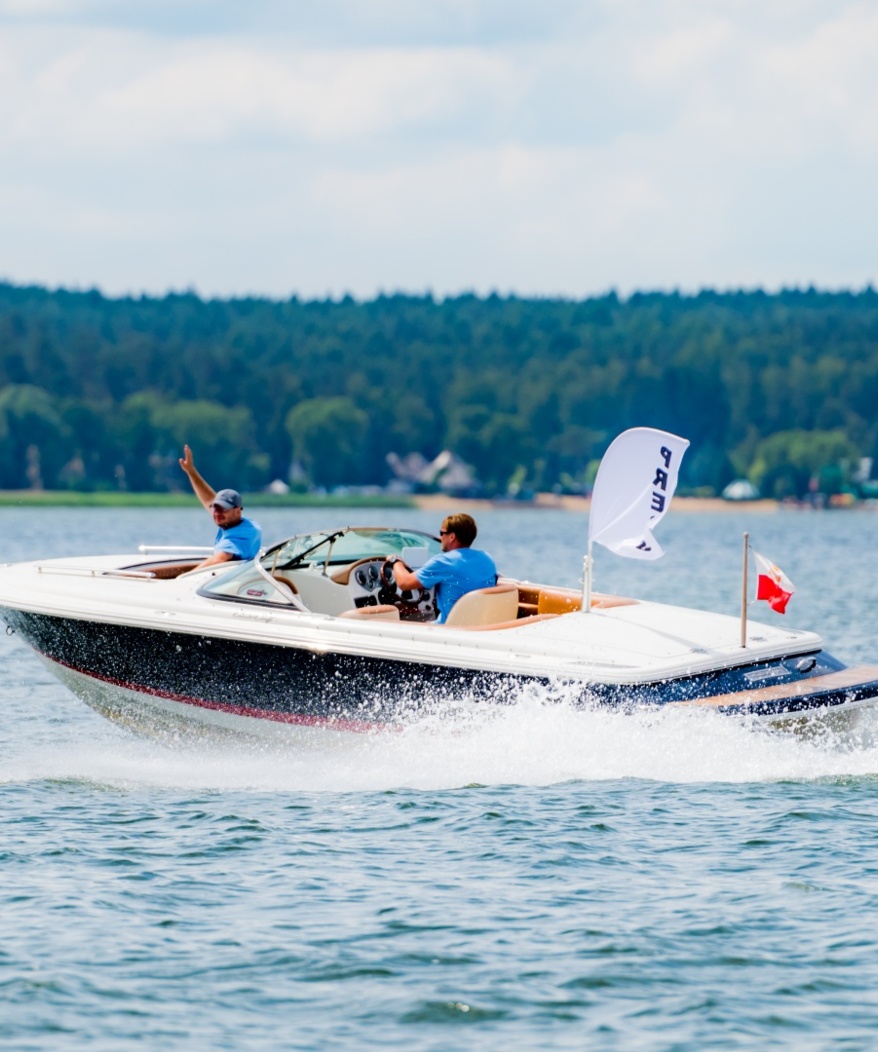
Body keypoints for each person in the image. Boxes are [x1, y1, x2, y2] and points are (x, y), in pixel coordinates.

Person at [386, 513, 496, 624]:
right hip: (479, 624)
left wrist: (395, 561)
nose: (440, 538)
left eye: (442, 533)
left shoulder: (444, 562)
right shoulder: (486, 559)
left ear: (452, 536)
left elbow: (404, 583)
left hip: (449, 627)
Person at [178, 444, 262, 568]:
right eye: (215, 507)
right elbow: (208, 499)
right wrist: (191, 471)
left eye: (223, 509)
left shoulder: (240, 536)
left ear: (237, 511)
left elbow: (221, 558)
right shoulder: (243, 523)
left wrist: (183, 577)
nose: (217, 513)